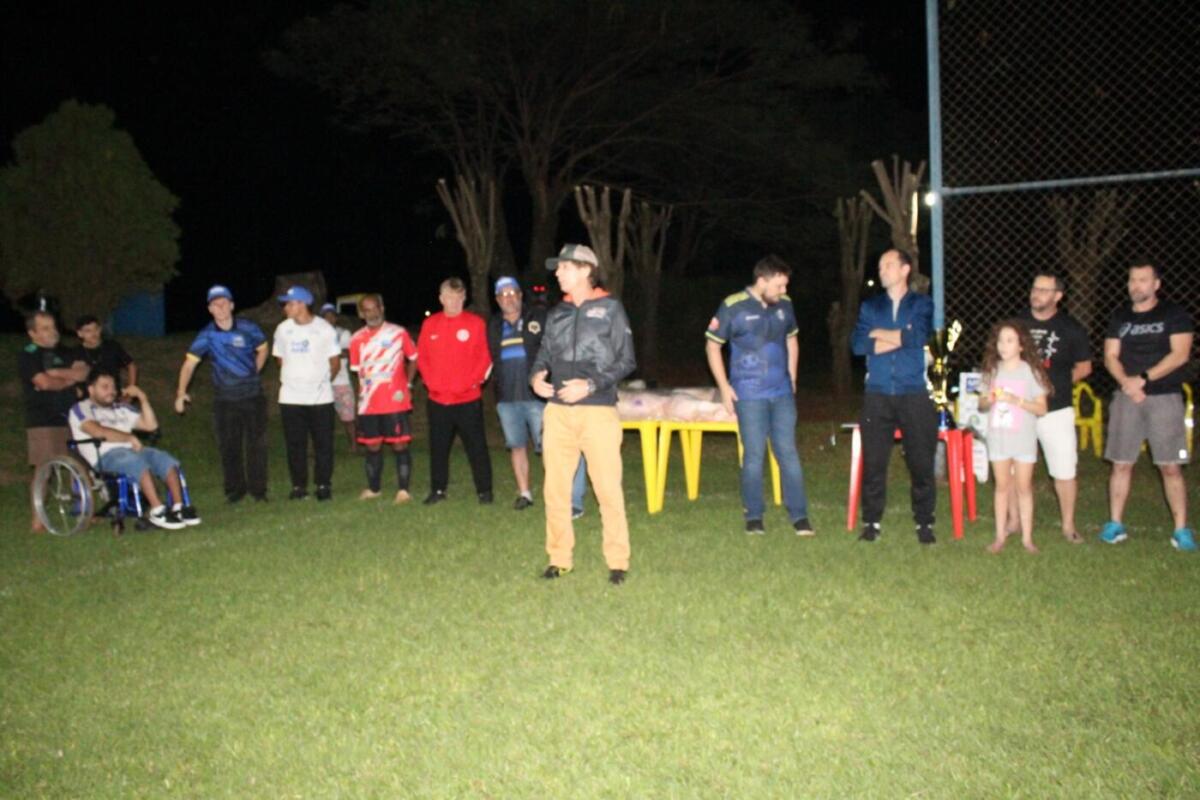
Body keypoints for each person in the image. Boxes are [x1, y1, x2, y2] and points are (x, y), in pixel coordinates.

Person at [532, 244, 636, 585]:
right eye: (558, 268)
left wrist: (590, 385)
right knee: (555, 490)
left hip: (598, 412)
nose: (558, 273)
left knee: (607, 489)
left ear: (585, 270)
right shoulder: (557, 313)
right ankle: (559, 558)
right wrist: (536, 377)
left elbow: (626, 360)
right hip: (558, 412)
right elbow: (544, 354)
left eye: (564, 268)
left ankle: (617, 561)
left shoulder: (611, 309)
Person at [705, 254, 814, 536]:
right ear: (762, 281)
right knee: (753, 455)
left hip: (782, 393)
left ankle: (799, 515)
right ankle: (754, 515)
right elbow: (712, 345)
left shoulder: (785, 304)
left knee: (788, 452)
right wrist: (724, 387)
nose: (784, 290)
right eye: (779, 285)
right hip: (749, 394)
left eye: (785, 285)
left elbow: (792, 339)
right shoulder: (733, 306)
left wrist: (793, 377)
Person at [1098, 262, 1195, 551]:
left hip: (1164, 397)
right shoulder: (1120, 317)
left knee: (1170, 467)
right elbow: (1110, 356)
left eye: (1142, 280)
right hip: (1126, 397)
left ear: (1156, 284)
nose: (1135, 285)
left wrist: (1142, 379)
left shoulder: (1174, 314)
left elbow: (1180, 354)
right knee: (1121, 463)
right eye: (1132, 280)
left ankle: (1181, 529)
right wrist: (1126, 383)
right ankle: (1115, 524)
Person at [850, 249, 938, 545]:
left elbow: (918, 337)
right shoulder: (871, 306)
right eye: (880, 265)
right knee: (874, 462)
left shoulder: (921, 303)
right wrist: (899, 337)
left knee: (921, 462)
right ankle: (871, 522)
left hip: (913, 392)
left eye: (888, 264)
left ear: (904, 269)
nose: (882, 270)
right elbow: (859, 345)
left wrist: (879, 333)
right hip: (877, 393)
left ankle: (924, 522)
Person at [70, 371, 200, 530]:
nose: (111, 391)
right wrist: (128, 438)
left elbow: (151, 425)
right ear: (91, 389)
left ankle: (178, 507)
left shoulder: (121, 408)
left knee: (165, 460)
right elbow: (97, 431)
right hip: (105, 456)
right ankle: (158, 510)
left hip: (131, 450)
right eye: (105, 387)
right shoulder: (81, 408)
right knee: (136, 462)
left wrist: (142, 398)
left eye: (113, 387)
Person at [175, 285, 270, 503]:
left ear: (232, 305)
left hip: (252, 396)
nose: (220, 308)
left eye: (224, 303)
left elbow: (263, 348)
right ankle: (235, 490)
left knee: (257, 444)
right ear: (210, 309)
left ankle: (258, 491)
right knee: (229, 446)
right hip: (225, 399)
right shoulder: (207, 334)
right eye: (215, 304)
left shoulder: (248, 327)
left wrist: (255, 370)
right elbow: (189, 365)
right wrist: (181, 392)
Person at [1018, 272, 1092, 543]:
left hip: (1056, 408)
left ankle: (1068, 525)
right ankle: (1014, 520)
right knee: (1015, 468)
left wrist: (1054, 384)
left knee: (1064, 470)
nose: (1036, 294)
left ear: (1058, 296)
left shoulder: (1070, 328)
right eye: (1034, 288)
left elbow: (1084, 367)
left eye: (1044, 290)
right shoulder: (1017, 324)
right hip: (1020, 407)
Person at [416, 278, 494, 505]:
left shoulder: (475, 323)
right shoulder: (430, 324)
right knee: (438, 447)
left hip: (468, 399)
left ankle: (485, 491)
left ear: (464, 298)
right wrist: (432, 383)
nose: (454, 301)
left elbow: (485, 358)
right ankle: (438, 490)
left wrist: (470, 383)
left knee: (476, 446)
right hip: (438, 400)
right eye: (449, 297)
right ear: (441, 298)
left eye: (459, 297)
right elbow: (423, 358)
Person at [977, 321, 1051, 554]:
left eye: (1010, 341)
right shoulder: (992, 371)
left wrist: (1016, 400)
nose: (1003, 345)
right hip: (999, 438)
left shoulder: (1030, 372)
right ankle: (1000, 536)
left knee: (1023, 487)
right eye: (1000, 340)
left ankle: (1027, 538)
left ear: (1021, 345)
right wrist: (989, 399)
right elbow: (981, 404)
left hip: (1023, 439)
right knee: (1001, 487)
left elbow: (1041, 408)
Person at [19, 311, 89, 532]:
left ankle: (83, 511)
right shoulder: (29, 355)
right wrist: (68, 380)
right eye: (46, 328)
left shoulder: (66, 351)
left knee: (79, 465)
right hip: (44, 419)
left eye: (53, 326)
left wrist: (56, 373)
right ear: (33, 333)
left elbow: (83, 372)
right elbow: (43, 383)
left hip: (72, 417)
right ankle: (37, 520)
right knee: (44, 469)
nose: (53, 331)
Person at [348, 293, 419, 503]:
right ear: (361, 314)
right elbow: (358, 373)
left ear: (382, 308)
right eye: (367, 310)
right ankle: (374, 488)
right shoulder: (356, 339)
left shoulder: (398, 333)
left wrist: (408, 384)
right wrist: (361, 399)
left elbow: (414, 358)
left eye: (375, 308)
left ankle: (403, 491)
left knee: (399, 445)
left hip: (394, 400)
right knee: (372, 446)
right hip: (369, 403)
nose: (372, 313)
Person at [273, 285, 341, 501]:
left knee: (323, 444)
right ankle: (298, 486)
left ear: (302, 304)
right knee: (295, 444)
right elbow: (280, 359)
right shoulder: (282, 329)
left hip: (320, 398)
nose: (285, 308)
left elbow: (335, 363)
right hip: (290, 398)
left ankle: (323, 484)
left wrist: (320, 382)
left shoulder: (324, 329)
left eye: (289, 304)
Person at [486, 276, 548, 510]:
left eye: (513, 293)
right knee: (517, 446)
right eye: (503, 295)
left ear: (521, 296)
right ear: (497, 300)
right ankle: (525, 493)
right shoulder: (493, 325)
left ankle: (555, 492)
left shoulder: (538, 317)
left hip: (536, 396)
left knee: (548, 446)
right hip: (507, 398)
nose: (508, 299)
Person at [320, 302, 358, 451]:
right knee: (320, 419)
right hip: (320, 382)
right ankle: (320, 447)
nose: (329, 319)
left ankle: (354, 446)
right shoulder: (315, 334)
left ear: (336, 318)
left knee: (348, 417)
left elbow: (349, 352)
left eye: (332, 316)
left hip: (341, 381)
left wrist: (331, 353)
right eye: (325, 316)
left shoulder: (343, 333)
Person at [72, 315, 137, 392]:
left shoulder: (112, 346)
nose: (94, 333)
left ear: (100, 329)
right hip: (88, 394)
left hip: (112, 392)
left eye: (96, 329)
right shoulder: (76, 352)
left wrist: (131, 389)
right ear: (80, 333)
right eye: (88, 331)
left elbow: (131, 365)